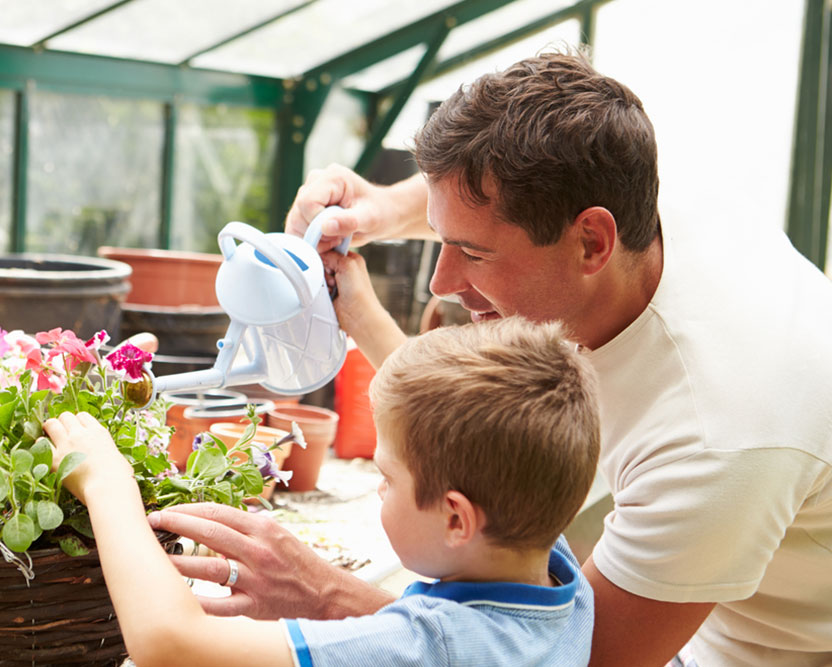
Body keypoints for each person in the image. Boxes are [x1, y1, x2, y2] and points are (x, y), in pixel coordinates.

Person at [163, 51, 832, 667]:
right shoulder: (629, 183)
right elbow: (493, 205)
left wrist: (329, 597)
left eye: (473, 255)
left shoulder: (716, 434)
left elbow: (561, 656)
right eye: (443, 238)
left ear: (591, 242)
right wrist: (379, 209)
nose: (440, 283)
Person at [43, 317, 601, 666]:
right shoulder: (564, 584)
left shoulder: (426, 646)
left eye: (386, 478)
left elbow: (169, 644)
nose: (377, 487)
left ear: (457, 519)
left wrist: (109, 485)